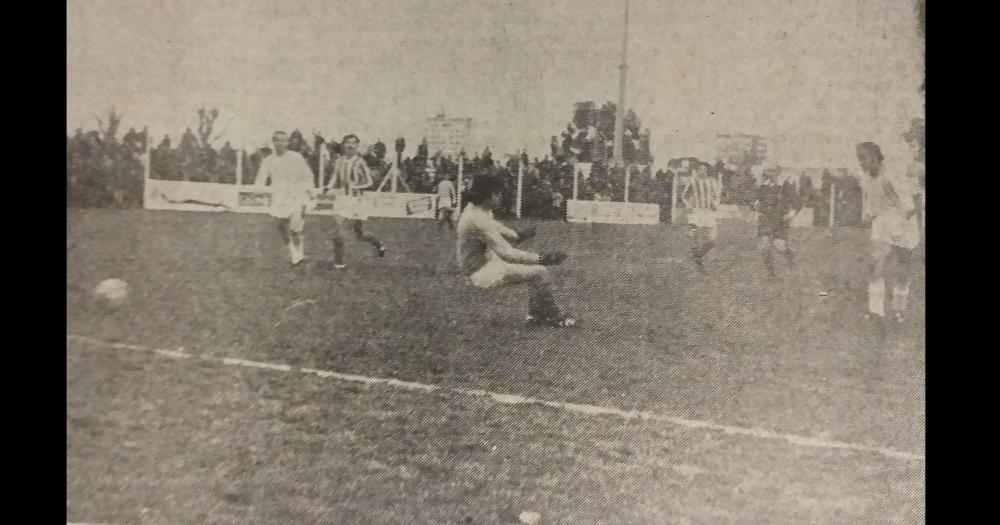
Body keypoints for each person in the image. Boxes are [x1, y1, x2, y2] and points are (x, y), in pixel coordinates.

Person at [457, 174, 577, 328]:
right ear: (487, 195)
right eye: (497, 193)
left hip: (484, 262)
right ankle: (554, 318)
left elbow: (494, 226)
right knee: (540, 272)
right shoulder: (477, 219)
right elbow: (507, 253)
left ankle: (536, 318)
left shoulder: (477, 210)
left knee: (537, 274)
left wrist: (517, 235)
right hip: (480, 271)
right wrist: (544, 258)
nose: (501, 197)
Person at [857, 141, 921, 331]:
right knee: (874, 262)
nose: (860, 163)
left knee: (903, 269)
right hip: (883, 222)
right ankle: (876, 311)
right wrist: (867, 216)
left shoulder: (890, 176)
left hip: (902, 223)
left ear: (875, 158)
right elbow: (871, 202)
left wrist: (904, 222)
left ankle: (899, 308)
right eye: (859, 158)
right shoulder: (866, 178)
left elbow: (907, 205)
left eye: (864, 158)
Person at [323, 134, 386, 269]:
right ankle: (339, 263)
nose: (350, 145)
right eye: (348, 142)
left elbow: (370, 181)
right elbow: (334, 177)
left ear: (357, 146)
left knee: (360, 234)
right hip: (342, 199)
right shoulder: (339, 161)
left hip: (356, 201)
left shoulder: (360, 162)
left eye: (354, 143)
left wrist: (356, 186)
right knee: (337, 230)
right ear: (343, 145)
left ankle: (378, 244)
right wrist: (328, 187)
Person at [257, 130, 315, 266]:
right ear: (273, 142)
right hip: (279, 198)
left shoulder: (296, 157)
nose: (281, 143)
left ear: (287, 142)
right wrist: (261, 192)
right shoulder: (268, 160)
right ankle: (294, 253)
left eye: (284, 140)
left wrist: (309, 192)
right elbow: (260, 179)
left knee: (295, 229)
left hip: (296, 196)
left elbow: (308, 176)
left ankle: (298, 255)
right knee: (281, 227)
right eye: (278, 140)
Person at [754, 164, 800, 277]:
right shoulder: (762, 187)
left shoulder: (785, 185)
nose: (771, 174)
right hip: (765, 220)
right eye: (769, 171)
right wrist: (756, 204)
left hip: (780, 221)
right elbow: (756, 200)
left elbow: (797, 202)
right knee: (764, 247)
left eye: (774, 171)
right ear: (766, 173)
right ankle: (771, 273)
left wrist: (792, 213)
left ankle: (791, 258)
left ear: (778, 172)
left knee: (779, 246)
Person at [682, 162, 722, 272]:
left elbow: (717, 195)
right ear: (697, 171)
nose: (702, 171)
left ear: (707, 171)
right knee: (693, 236)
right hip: (696, 212)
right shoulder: (692, 181)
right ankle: (699, 264)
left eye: (704, 169)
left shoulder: (712, 181)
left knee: (712, 240)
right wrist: (688, 205)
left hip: (708, 212)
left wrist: (715, 204)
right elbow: (684, 196)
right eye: (700, 169)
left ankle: (698, 257)